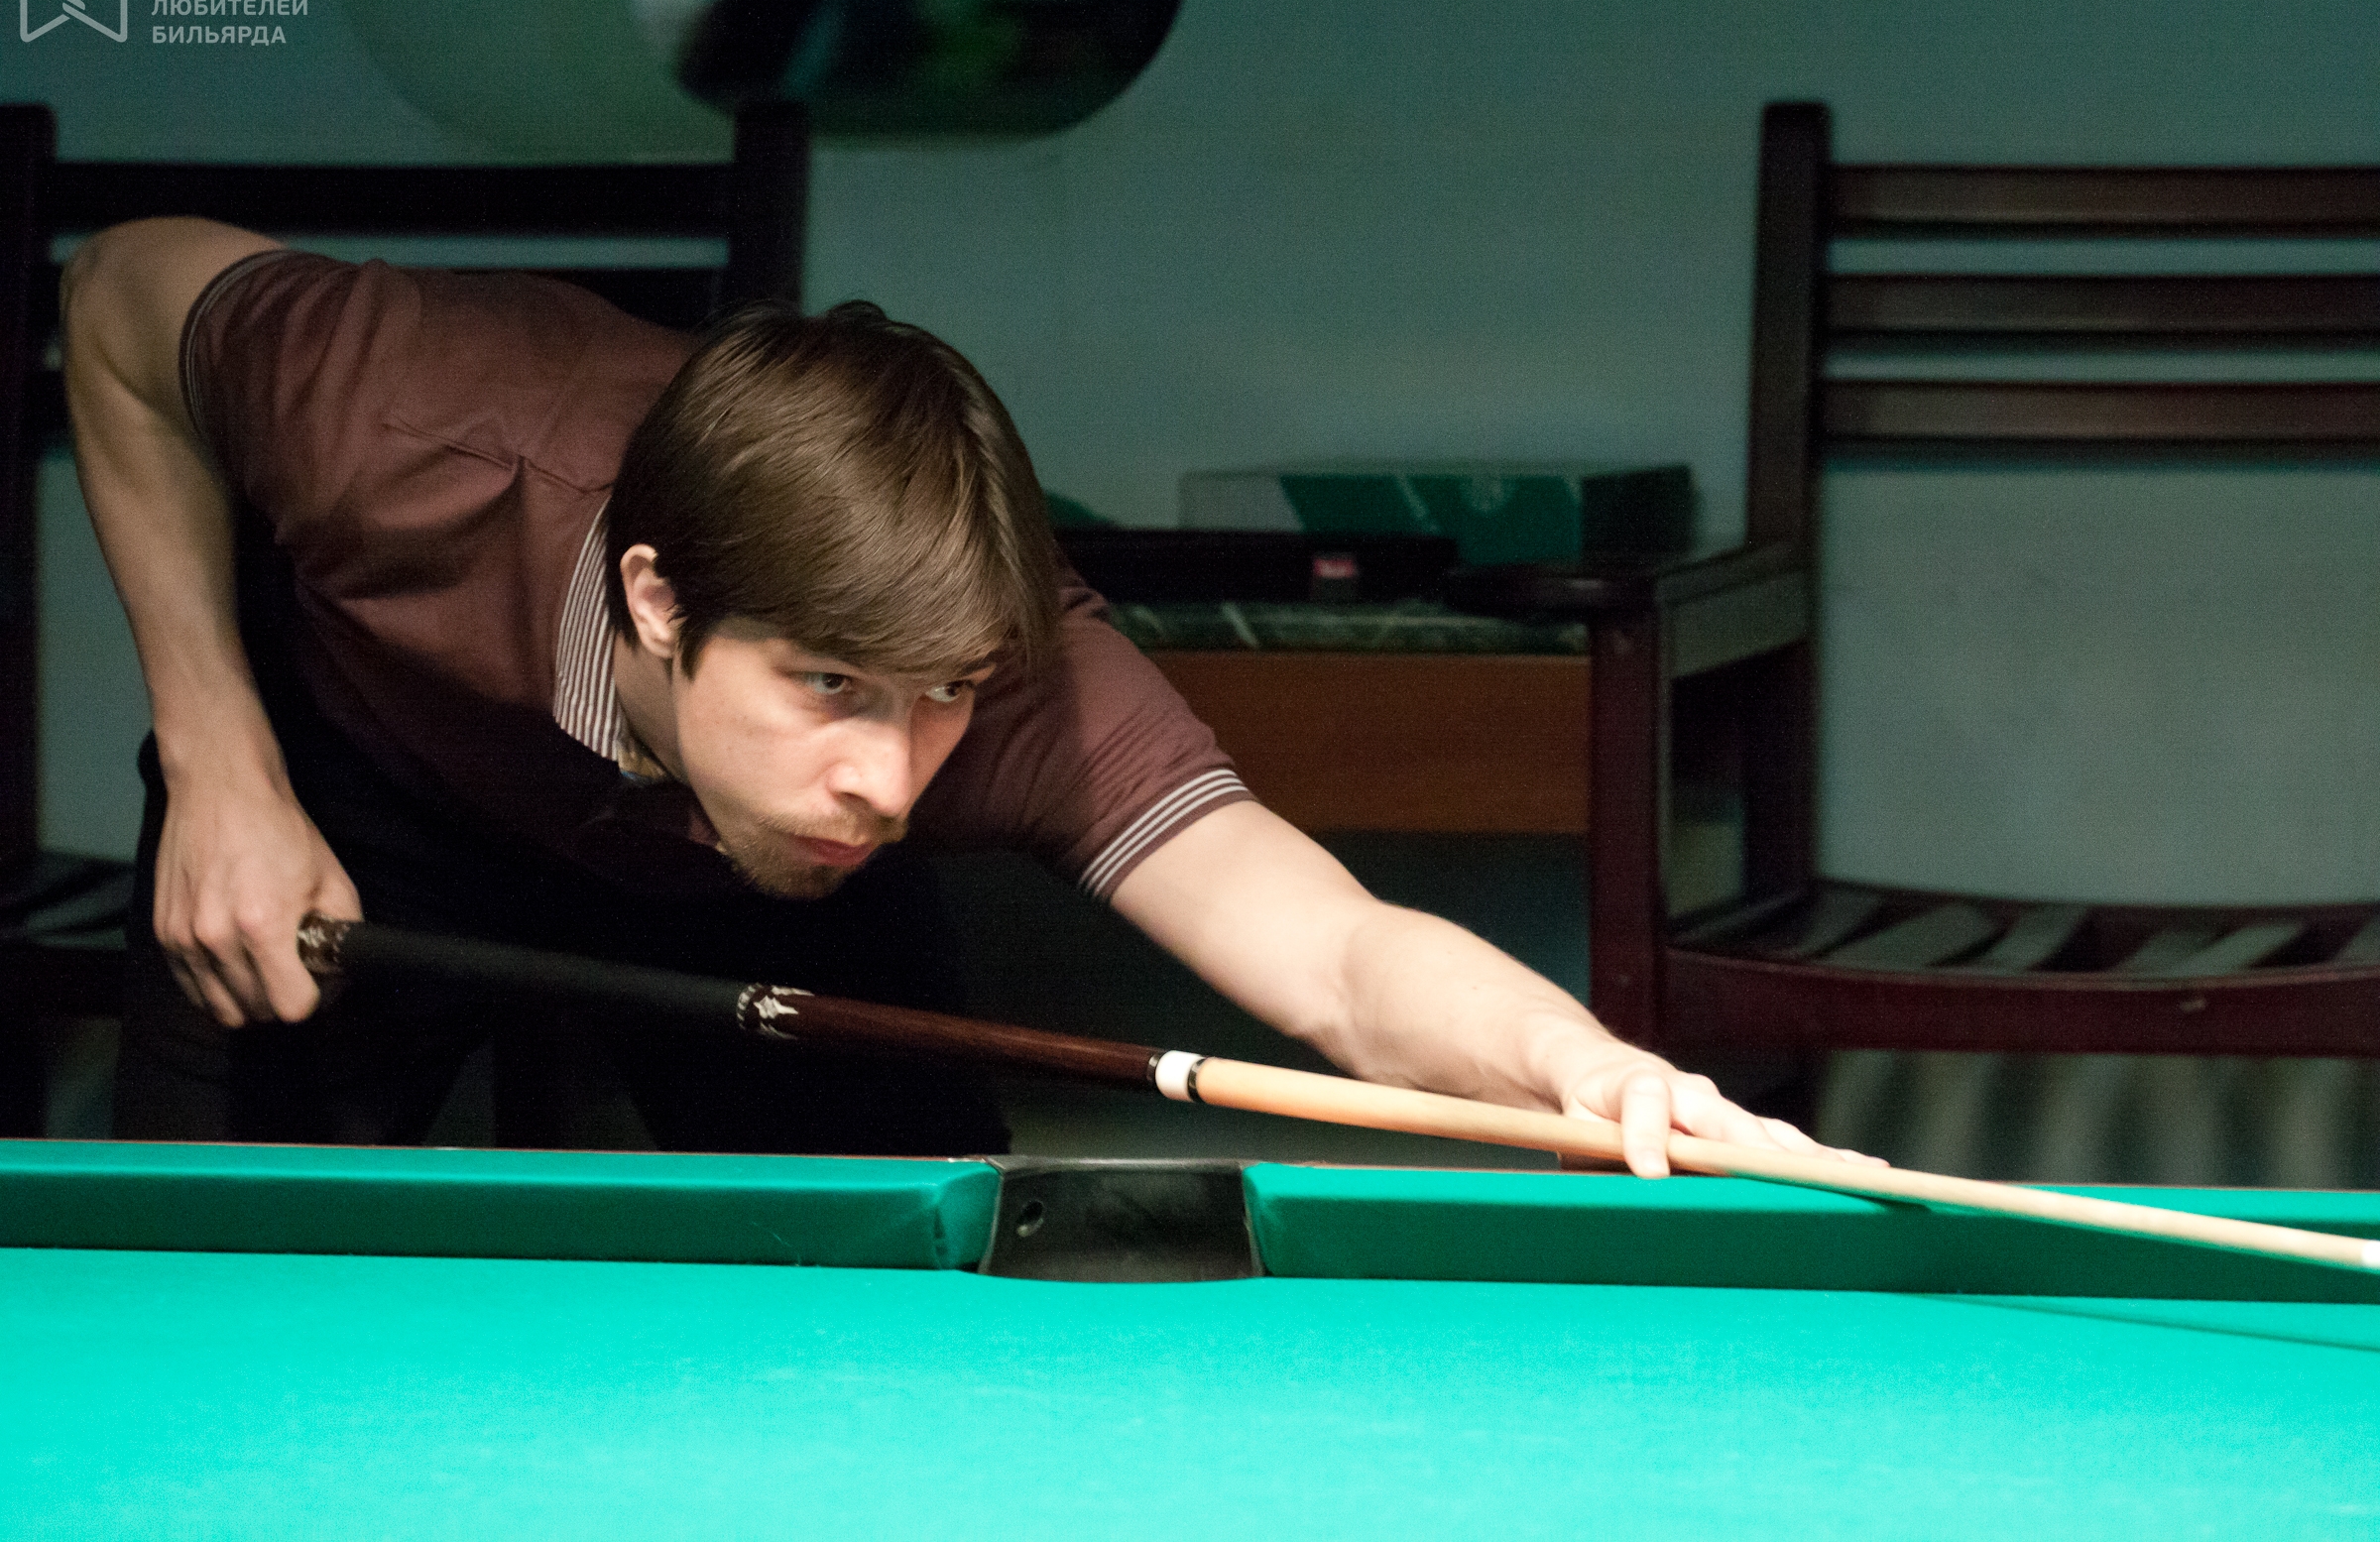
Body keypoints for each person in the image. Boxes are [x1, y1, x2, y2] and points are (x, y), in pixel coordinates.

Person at [63, 217, 1854, 1174]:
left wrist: (1586, 1067)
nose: (895, 775)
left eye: (939, 699)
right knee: (207, 1257)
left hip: (756, 891)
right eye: (832, 684)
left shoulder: (1001, 699)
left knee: (928, 1269)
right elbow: (121, 297)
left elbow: (1337, 957)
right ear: (659, 601)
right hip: (353, 803)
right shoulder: (407, 423)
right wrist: (217, 761)